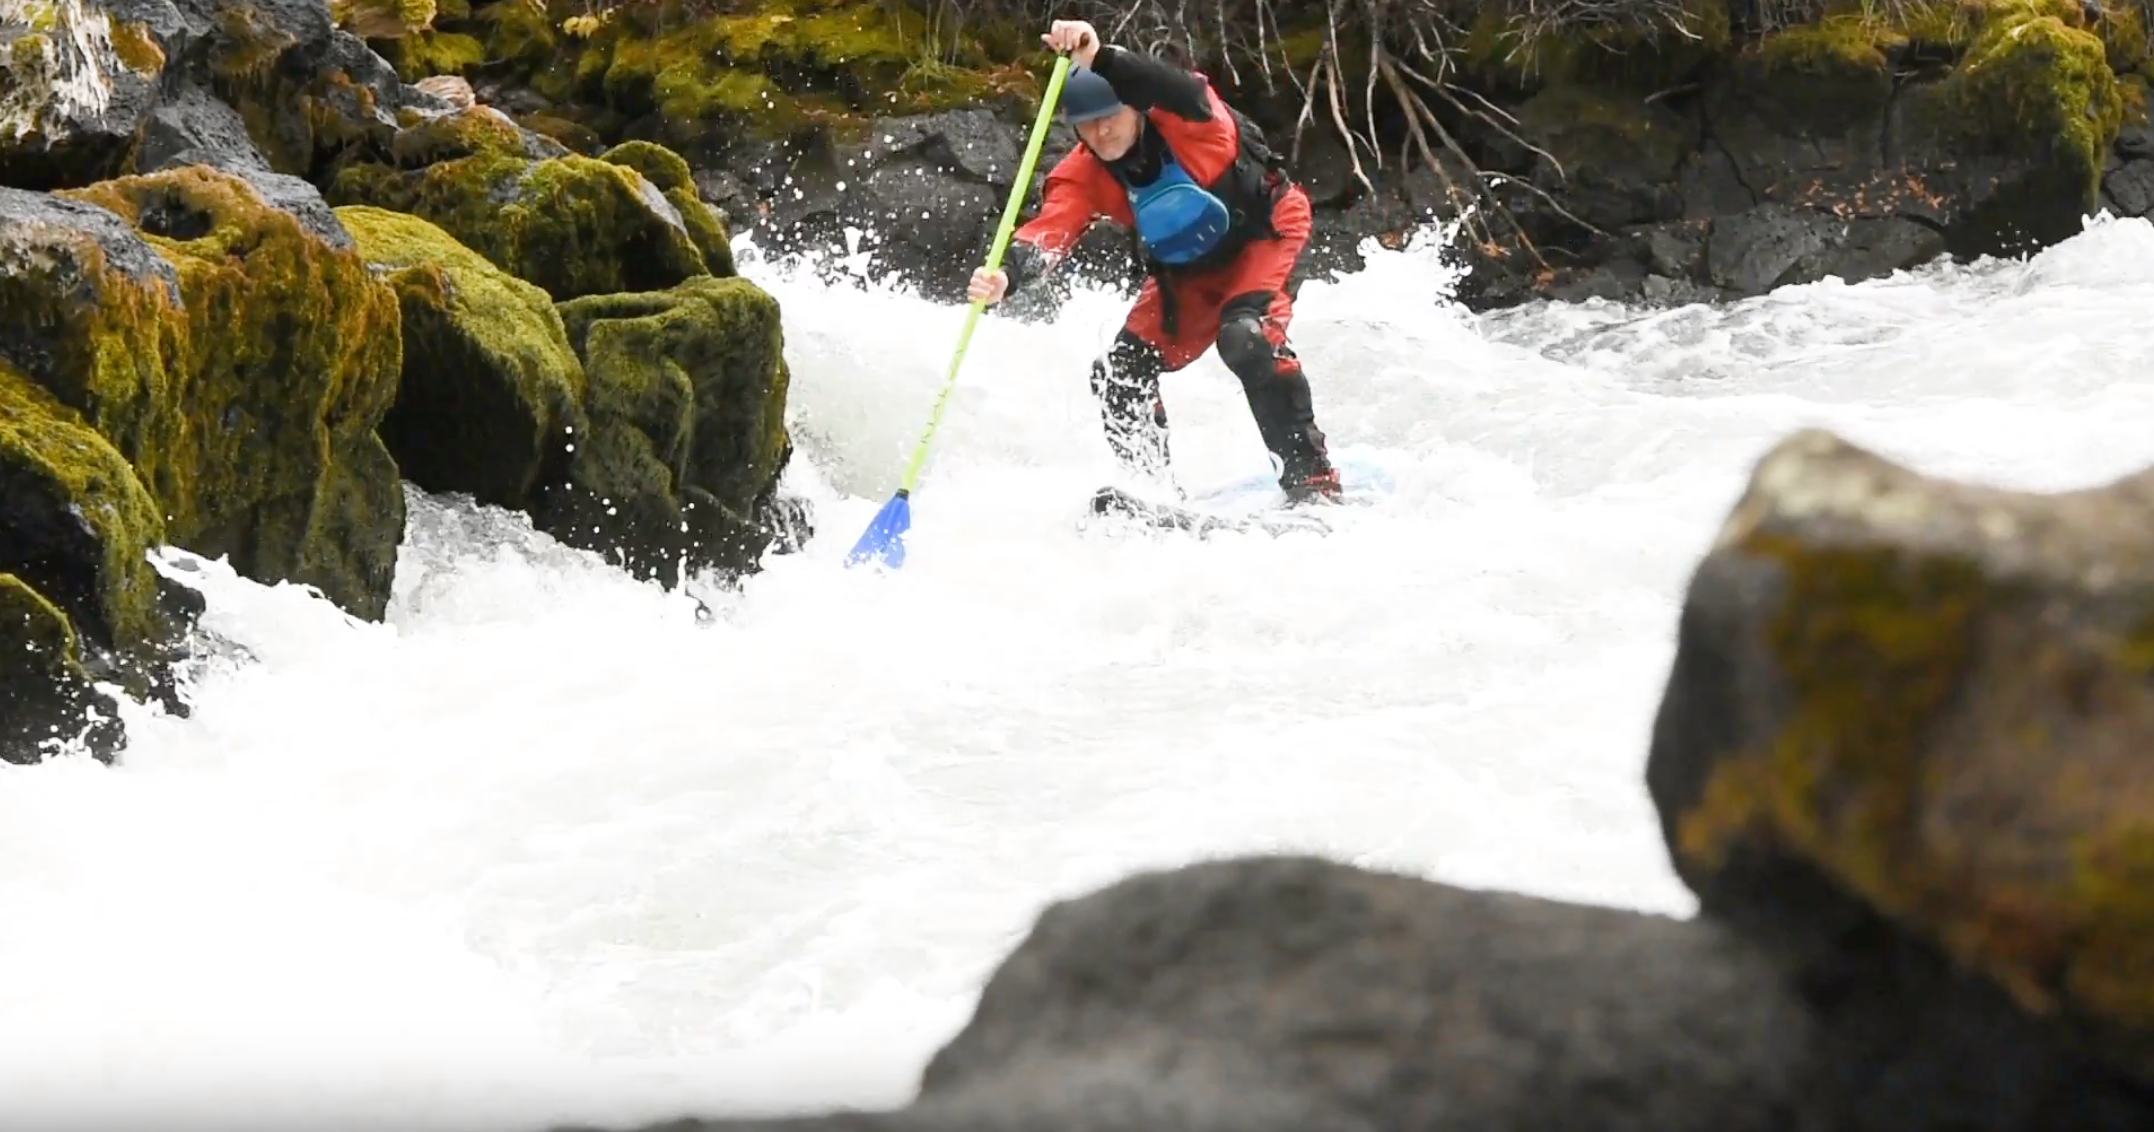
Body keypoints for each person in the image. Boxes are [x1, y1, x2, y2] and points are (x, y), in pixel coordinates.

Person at [967, 19, 1342, 505]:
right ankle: (1155, 492)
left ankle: (1312, 482)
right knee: (1119, 372)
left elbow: (1172, 84)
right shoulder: (1083, 173)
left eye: (1111, 116)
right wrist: (1007, 276)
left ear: (1136, 107)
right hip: (1186, 272)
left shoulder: (1190, 121)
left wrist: (1100, 57)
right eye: (1087, 123)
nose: (1101, 131)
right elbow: (1051, 229)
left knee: (1246, 338)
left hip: (1263, 235)